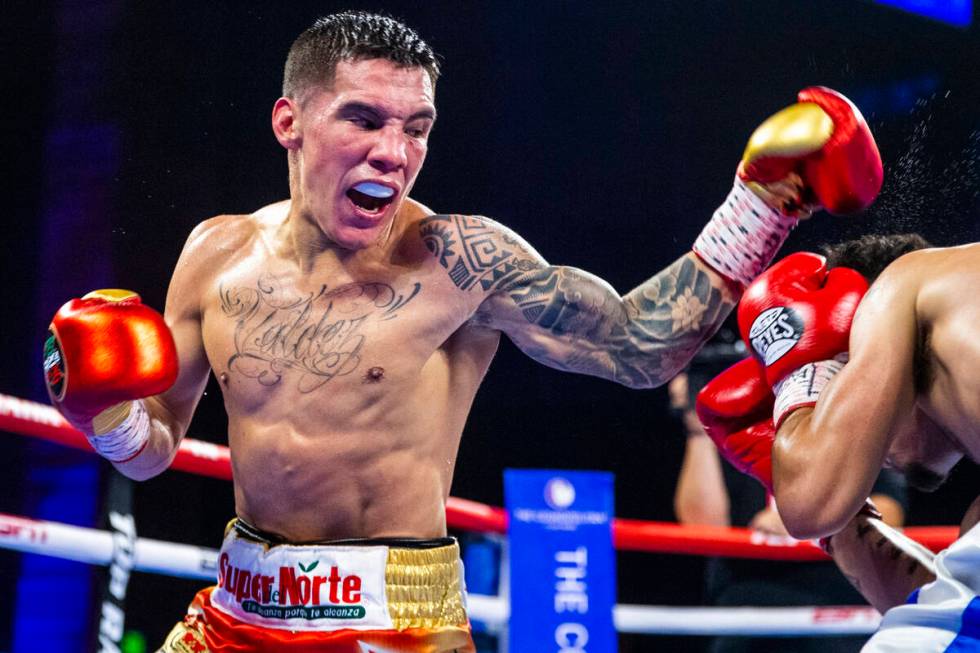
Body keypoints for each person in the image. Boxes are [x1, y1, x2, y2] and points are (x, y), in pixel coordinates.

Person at [40, 11, 883, 652]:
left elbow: (633, 345)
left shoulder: (459, 260)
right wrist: (105, 413)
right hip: (236, 610)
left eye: (416, 128)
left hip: (397, 618)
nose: (394, 152)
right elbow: (155, 450)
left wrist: (761, 204)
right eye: (364, 119)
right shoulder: (213, 254)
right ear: (289, 122)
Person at [699, 234, 980, 651]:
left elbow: (809, 503)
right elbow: (946, 610)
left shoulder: (901, 283)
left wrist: (800, 380)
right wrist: (843, 527)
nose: (879, 459)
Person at [672, 332, 906, 653]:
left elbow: (889, 512)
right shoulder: (734, 425)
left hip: (833, 604)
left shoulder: (852, 424)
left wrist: (812, 517)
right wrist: (697, 428)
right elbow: (702, 528)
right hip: (746, 607)